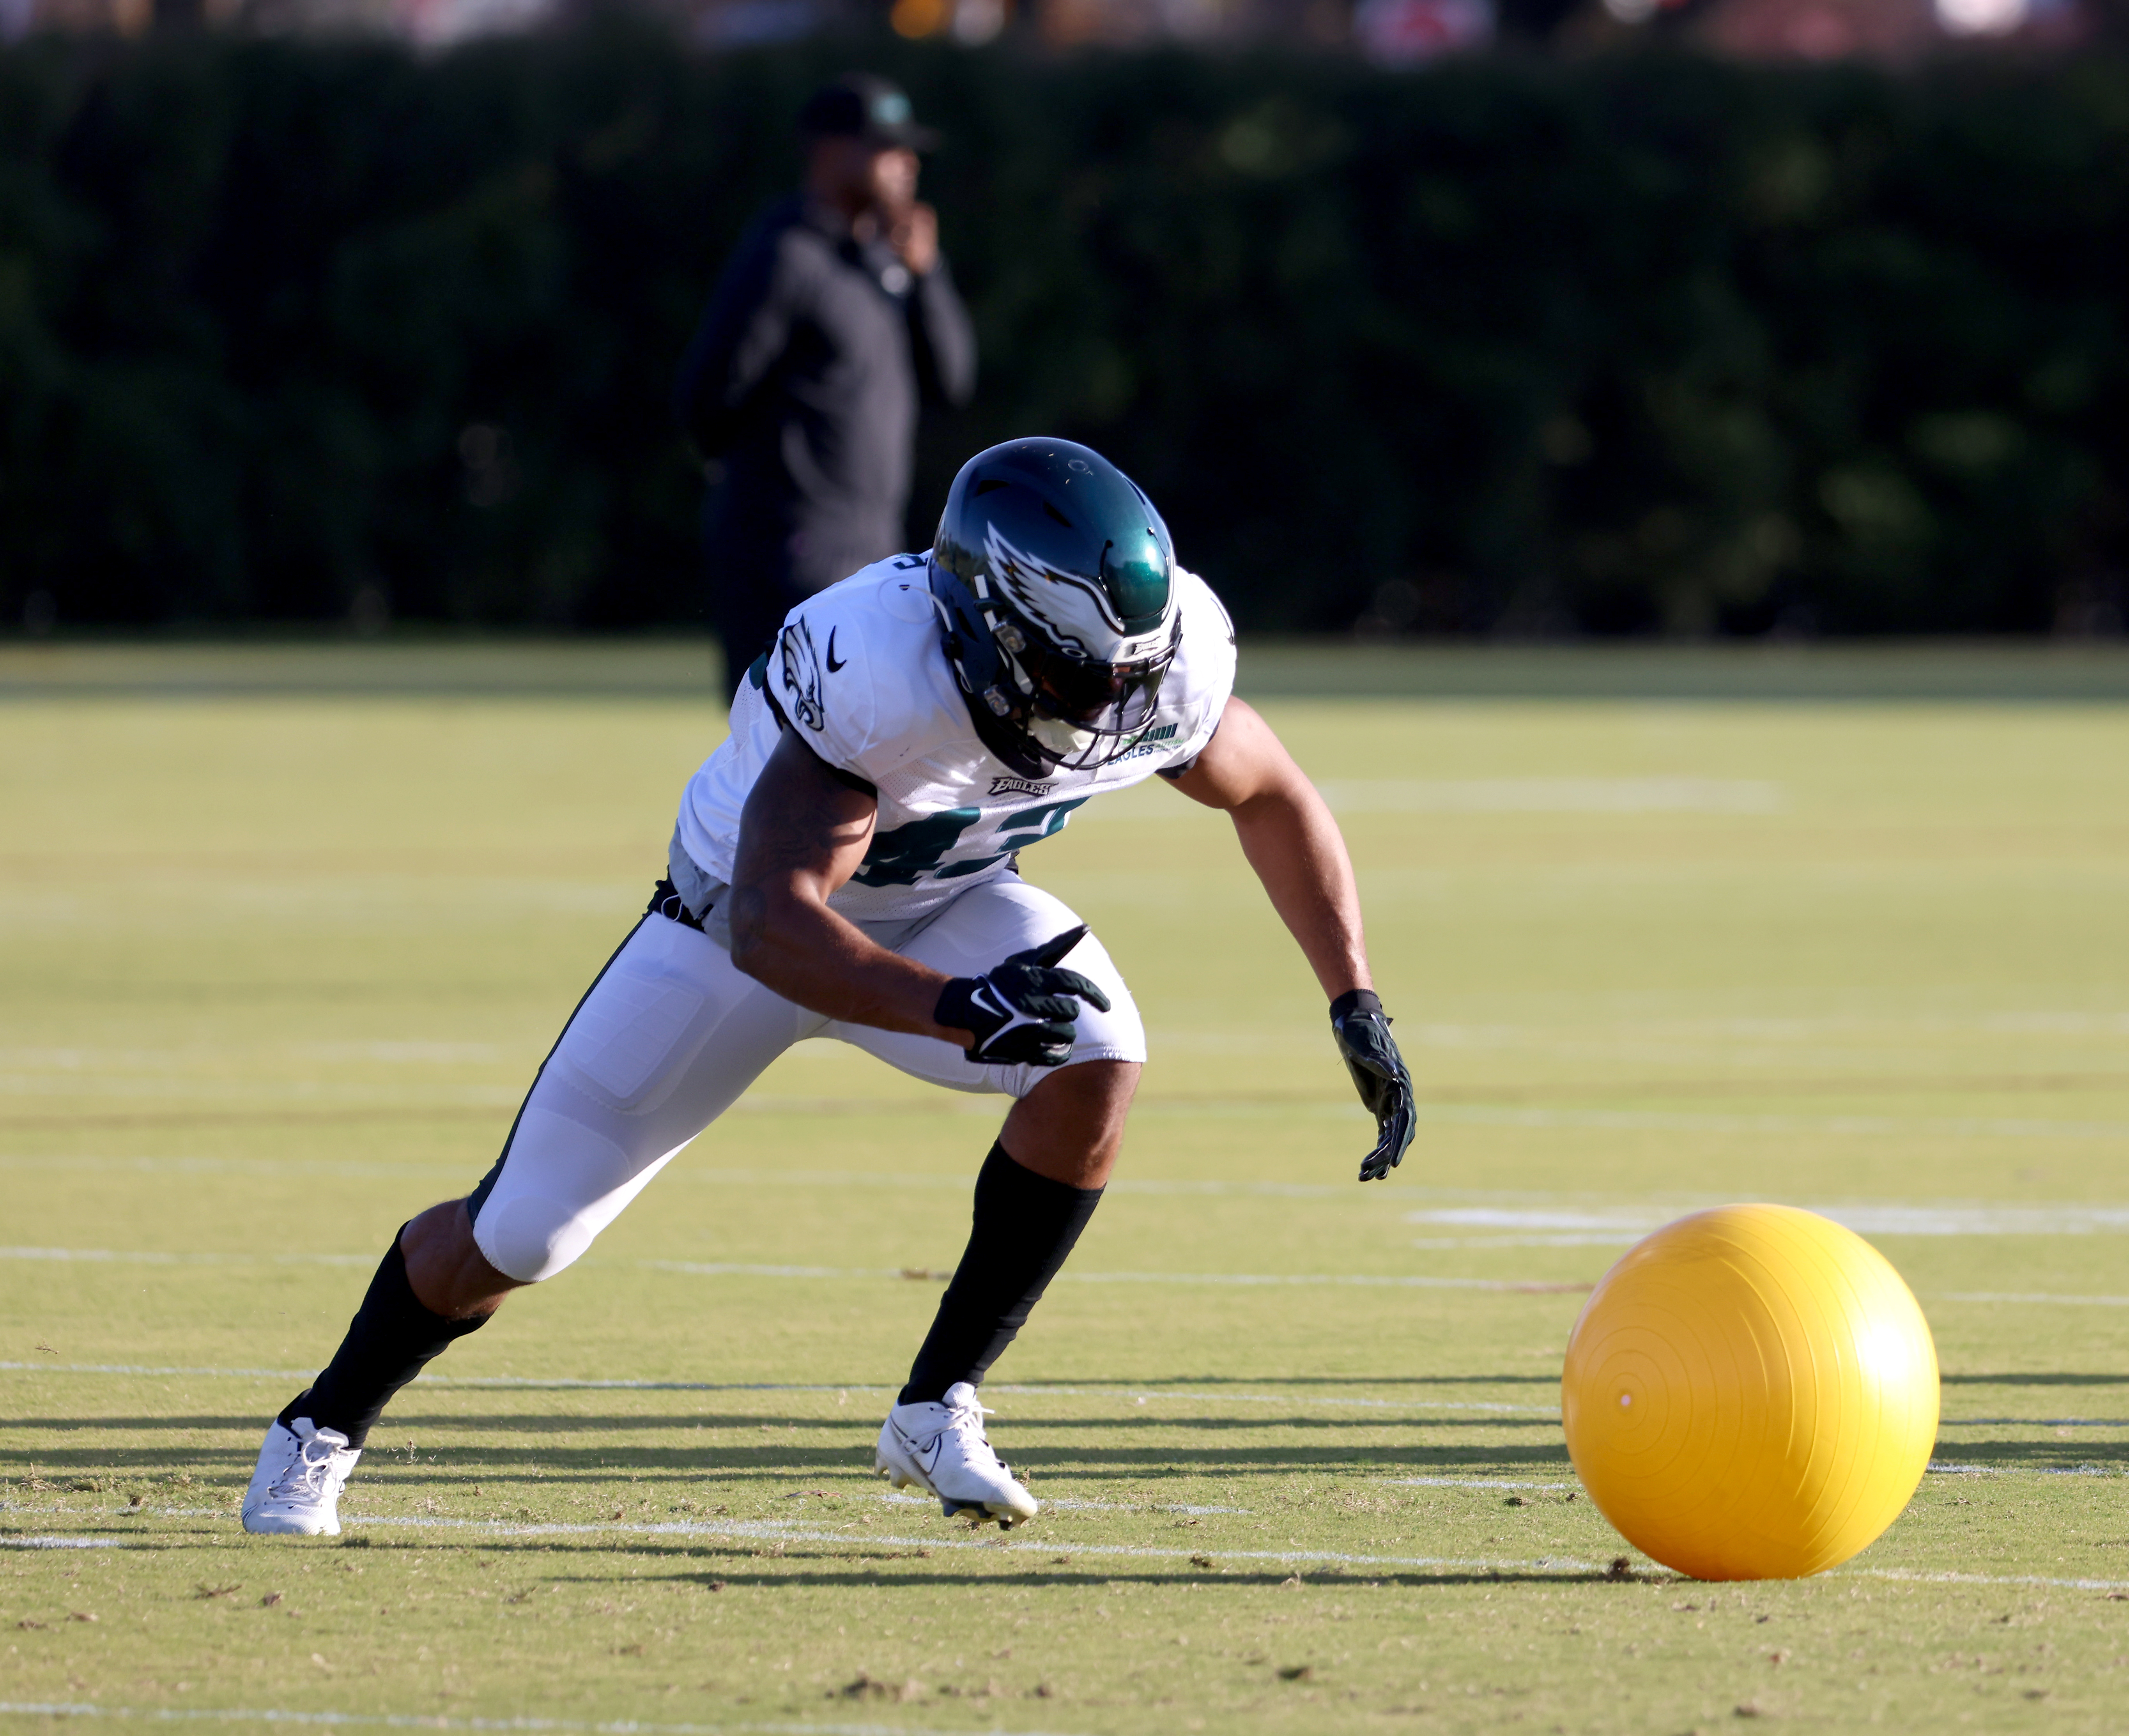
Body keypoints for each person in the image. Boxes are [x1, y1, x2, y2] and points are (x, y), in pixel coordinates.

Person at [239, 437, 1416, 1538]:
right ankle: (320, 1424)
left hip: (945, 902)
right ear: (981, 623)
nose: (1107, 708)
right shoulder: (876, 668)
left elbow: (1270, 794)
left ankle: (933, 1405)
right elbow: (771, 924)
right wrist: (955, 1008)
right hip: (729, 932)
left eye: (1123, 676)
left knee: (1098, 1054)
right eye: (1070, 671)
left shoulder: (1154, 671)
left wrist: (1350, 996)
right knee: (520, 1233)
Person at [675, 73, 977, 693]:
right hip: (787, 554)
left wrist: (928, 275)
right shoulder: (786, 256)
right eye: (885, 147)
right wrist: (766, 496)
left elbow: (953, 381)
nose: (906, 163)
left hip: (872, 552)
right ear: (828, 151)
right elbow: (706, 394)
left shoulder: (884, 264)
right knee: (784, 746)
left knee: (871, 751)